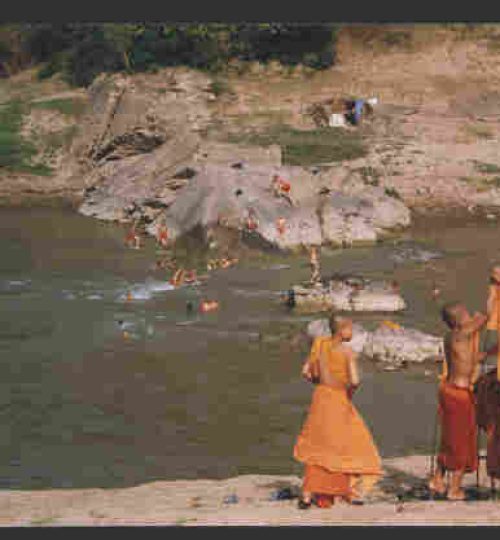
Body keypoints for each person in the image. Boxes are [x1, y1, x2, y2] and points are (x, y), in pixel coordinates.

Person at [294, 312, 382, 508]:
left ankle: (307, 495)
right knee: (348, 443)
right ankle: (351, 491)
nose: (353, 331)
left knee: (318, 444)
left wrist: (319, 381)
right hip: (338, 398)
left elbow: (305, 372)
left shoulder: (319, 344)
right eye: (351, 328)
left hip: (320, 396)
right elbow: (355, 381)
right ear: (342, 330)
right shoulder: (348, 352)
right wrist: (348, 390)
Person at [428, 302, 489, 500]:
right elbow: (484, 317)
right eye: (466, 312)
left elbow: (471, 357)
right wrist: (495, 290)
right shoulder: (460, 334)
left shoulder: (456, 336)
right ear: (460, 318)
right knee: (462, 441)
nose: (470, 314)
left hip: (451, 390)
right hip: (458, 393)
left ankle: (437, 479)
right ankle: (454, 488)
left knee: (450, 439)